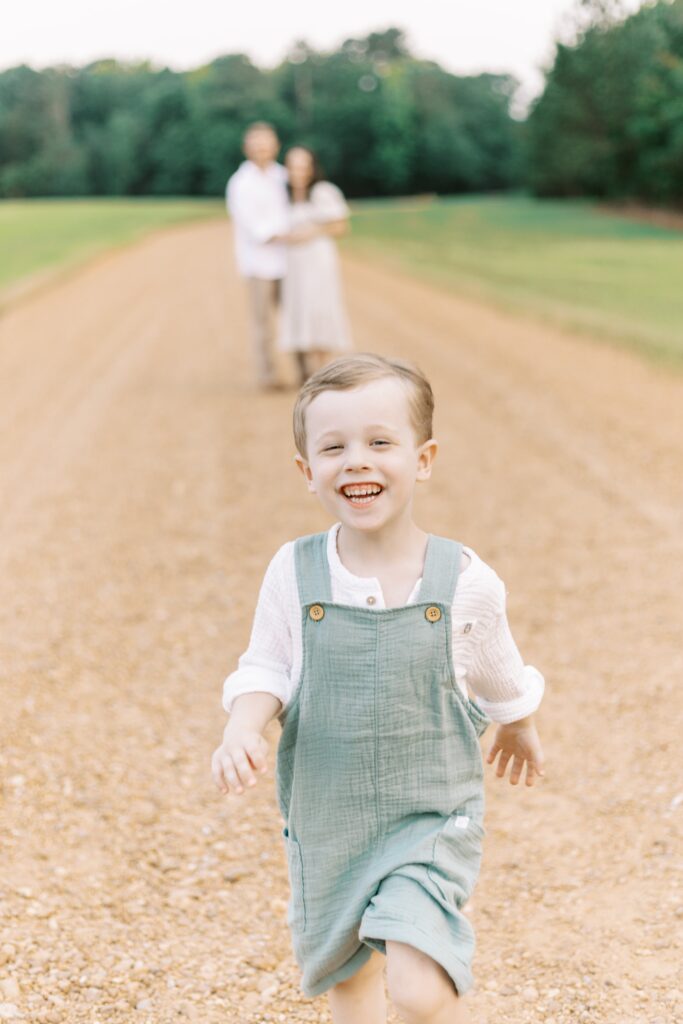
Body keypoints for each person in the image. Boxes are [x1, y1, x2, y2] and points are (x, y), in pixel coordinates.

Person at [211, 354, 546, 1024]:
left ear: (422, 460)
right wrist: (242, 725)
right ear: (307, 472)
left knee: (418, 991)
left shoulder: (464, 581)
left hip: (429, 818)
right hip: (328, 823)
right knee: (352, 985)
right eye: (333, 447)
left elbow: (497, 664)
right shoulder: (294, 571)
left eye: (379, 443)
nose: (356, 461)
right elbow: (267, 666)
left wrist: (516, 723)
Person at [278, 146, 352, 385]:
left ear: (312, 168)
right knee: (301, 310)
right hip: (294, 265)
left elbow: (341, 226)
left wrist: (311, 232)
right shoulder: (284, 195)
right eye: (293, 166)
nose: (297, 171)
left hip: (317, 261)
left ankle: (323, 371)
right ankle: (313, 372)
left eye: (303, 165)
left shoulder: (323, 192)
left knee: (320, 309)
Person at [226, 122, 289, 390]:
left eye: (266, 142)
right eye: (256, 143)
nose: (262, 148)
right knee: (263, 323)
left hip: (288, 261)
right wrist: (288, 233)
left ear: (276, 145)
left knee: (295, 316)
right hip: (258, 263)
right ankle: (267, 374)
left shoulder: (283, 176)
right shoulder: (240, 183)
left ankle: (306, 372)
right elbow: (251, 224)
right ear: (247, 148)